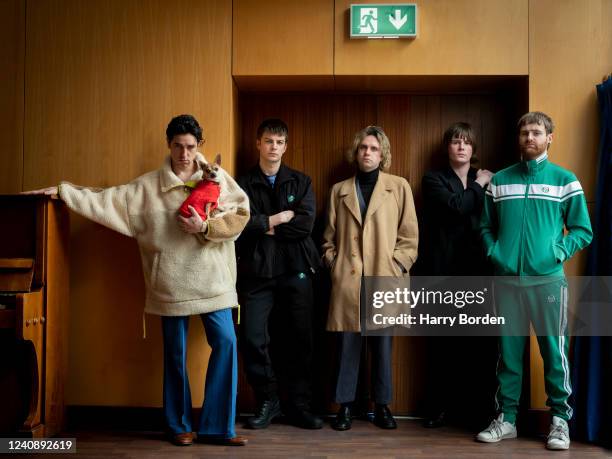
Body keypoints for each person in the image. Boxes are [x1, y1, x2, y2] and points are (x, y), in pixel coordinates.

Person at [24, 114, 250, 447]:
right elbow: (106, 199)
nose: (184, 154)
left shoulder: (218, 179)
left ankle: (218, 426)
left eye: (190, 146)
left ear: (199, 145)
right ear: (168, 144)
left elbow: (241, 216)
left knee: (227, 342)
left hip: (213, 280)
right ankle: (179, 425)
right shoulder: (147, 187)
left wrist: (205, 227)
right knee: (175, 353)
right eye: (178, 146)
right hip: (169, 284)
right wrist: (63, 192)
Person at [477, 112, 593, 450]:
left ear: (549, 137)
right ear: (519, 138)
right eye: (525, 132)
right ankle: (507, 419)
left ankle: (559, 420)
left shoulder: (565, 180)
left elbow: (583, 230)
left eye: (537, 132)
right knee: (508, 354)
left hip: (548, 283)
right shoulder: (500, 180)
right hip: (506, 281)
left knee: (555, 351)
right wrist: (494, 252)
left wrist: (556, 252)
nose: (530, 137)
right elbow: (485, 227)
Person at [322, 125, 418, 431]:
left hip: (384, 277)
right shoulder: (339, 190)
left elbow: (409, 236)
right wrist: (332, 262)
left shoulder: (399, 186)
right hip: (349, 278)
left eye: (374, 148)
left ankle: (383, 406)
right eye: (363, 147)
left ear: (383, 154)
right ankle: (345, 407)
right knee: (347, 345)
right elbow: (328, 238)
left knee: (382, 346)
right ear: (356, 151)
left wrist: (398, 266)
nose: (368, 153)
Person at [236, 118, 323, 430]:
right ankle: (267, 399)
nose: (274, 147)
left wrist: (264, 227)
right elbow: (237, 224)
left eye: (279, 142)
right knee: (251, 337)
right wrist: (270, 220)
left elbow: (305, 224)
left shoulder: (301, 181)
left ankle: (298, 406)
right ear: (258, 143)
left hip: (296, 267)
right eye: (268, 141)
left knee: (300, 339)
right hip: (257, 272)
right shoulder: (241, 184)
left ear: (286, 147)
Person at [419, 122, 495, 428]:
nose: (461, 146)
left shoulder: (488, 181)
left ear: (473, 148)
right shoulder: (433, 179)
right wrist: (479, 185)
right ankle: (439, 408)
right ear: (447, 147)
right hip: (442, 273)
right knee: (442, 346)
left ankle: (477, 411)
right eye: (455, 141)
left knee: (478, 346)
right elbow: (456, 207)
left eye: (466, 142)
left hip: (478, 272)